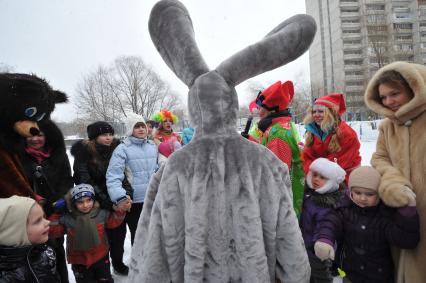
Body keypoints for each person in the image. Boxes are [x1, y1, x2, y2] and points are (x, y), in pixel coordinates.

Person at [364, 61, 426, 282]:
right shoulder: (387, 126)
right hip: (401, 212)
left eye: (394, 93)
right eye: (383, 97)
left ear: (413, 89)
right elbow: (379, 158)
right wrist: (392, 182)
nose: (388, 102)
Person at [314, 166, 420, 283]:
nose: (363, 198)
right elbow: (330, 222)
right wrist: (325, 239)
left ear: (378, 194)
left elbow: (406, 240)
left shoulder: (384, 215)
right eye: (358, 192)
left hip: (379, 276)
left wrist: (407, 213)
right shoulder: (344, 209)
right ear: (351, 191)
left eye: (369, 194)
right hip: (349, 273)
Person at [71, 121, 132, 275]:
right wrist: (108, 202)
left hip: (116, 200)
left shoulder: (117, 150)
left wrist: (126, 196)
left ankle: (118, 263)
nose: (109, 137)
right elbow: (84, 181)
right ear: (94, 137)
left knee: (119, 234)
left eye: (111, 134)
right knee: (100, 239)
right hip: (95, 203)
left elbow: (123, 175)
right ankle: (102, 269)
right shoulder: (84, 153)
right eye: (104, 134)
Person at [17, 119, 73, 283]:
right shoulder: (18, 157)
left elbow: (67, 182)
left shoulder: (59, 155)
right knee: (35, 256)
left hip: (55, 213)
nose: (35, 139)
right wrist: (37, 202)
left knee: (57, 251)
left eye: (39, 135)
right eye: (31, 135)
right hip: (29, 215)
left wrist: (60, 203)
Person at [49, 184, 127, 283]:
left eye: (89, 200)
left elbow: (113, 222)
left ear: (93, 200)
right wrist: (56, 212)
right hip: (79, 262)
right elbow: (53, 230)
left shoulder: (101, 213)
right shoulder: (69, 218)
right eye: (80, 202)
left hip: (101, 258)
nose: (85, 205)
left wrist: (121, 210)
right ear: (74, 203)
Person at [251, 80, 305, 216]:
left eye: (260, 106)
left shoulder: (277, 133)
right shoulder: (279, 126)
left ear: (272, 109)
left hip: (284, 200)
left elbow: (276, 175)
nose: (258, 110)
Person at [106, 113, 157, 245]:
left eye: (143, 126)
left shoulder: (152, 146)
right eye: (137, 127)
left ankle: (154, 264)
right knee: (139, 236)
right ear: (130, 130)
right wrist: (120, 197)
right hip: (134, 202)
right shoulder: (122, 149)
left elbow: (157, 170)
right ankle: (139, 264)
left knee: (154, 234)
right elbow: (113, 175)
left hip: (153, 198)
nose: (141, 129)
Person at [300, 158, 346, 283]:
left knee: (319, 274)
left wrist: (321, 241)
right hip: (303, 244)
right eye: (315, 175)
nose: (316, 179)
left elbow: (325, 225)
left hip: (317, 250)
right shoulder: (307, 194)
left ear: (331, 182)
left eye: (322, 177)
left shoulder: (328, 205)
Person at [302, 93, 361, 184]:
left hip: (344, 182)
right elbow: (307, 157)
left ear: (331, 113)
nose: (316, 115)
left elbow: (336, 167)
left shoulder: (347, 134)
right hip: (319, 180)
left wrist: (313, 171)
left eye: (321, 111)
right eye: (314, 111)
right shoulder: (313, 131)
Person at [0, 195, 59, 282]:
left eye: (43, 217)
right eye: (38, 221)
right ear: (16, 232)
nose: (47, 222)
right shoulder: (7, 277)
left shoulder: (44, 251)